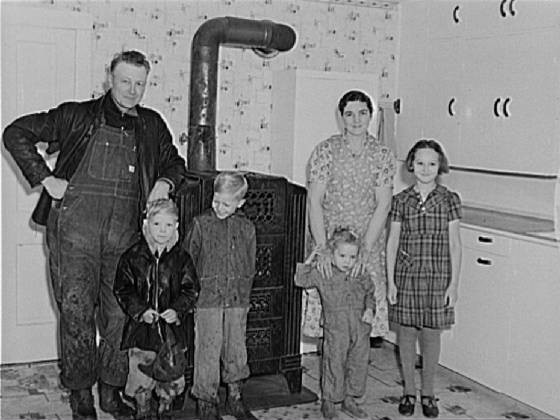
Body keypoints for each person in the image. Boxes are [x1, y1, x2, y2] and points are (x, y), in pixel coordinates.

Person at [2, 50, 188, 420]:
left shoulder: (151, 124)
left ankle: (110, 389)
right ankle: (80, 392)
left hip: (124, 238)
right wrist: (44, 178)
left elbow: (175, 163)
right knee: (76, 315)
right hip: (74, 234)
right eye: (125, 81)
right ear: (110, 79)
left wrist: (165, 182)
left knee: (121, 317)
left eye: (140, 83)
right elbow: (15, 132)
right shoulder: (77, 115)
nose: (132, 90)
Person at [305, 89, 396, 346]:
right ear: (341, 117)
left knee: (362, 317)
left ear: (371, 116)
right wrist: (322, 248)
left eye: (363, 113)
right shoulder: (326, 150)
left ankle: (356, 380)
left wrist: (366, 249)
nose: (356, 120)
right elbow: (314, 201)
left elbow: (384, 203)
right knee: (332, 318)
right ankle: (331, 379)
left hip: (368, 240)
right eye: (350, 114)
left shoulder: (382, 155)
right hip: (332, 243)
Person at [386, 139, 462, 418]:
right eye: (420, 163)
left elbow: (455, 244)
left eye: (432, 163)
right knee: (406, 335)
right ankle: (408, 391)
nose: (426, 169)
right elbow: (392, 242)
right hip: (407, 277)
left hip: (438, 277)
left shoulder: (450, 199)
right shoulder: (401, 201)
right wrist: (391, 282)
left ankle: (428, 393)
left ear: (440, 165)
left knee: (431, 336)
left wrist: (453, 285)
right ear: (411, 165)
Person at [113, 199, 200, 419]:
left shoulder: (182, 258)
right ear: (146, 224)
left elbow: (191, 289)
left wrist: (177, 310)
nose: (163, 230)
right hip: (141, 331)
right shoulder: (132, 257)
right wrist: (141, 310)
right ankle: (142, 410)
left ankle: (165, 408)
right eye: (157, 224)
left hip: (172, 333)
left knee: (171, 376)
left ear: (177, 227)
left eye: (169, 225)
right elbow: (122, 289)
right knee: (141, 375)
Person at [184, 171, 257, 420]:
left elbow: (250, 263)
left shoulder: (246, 227)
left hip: (237, 300)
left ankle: (235, 397)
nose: (219, 207)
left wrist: (244, 295)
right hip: (207, 302)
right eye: (216, 200)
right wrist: (191, 295)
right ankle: (206, 402)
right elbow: (188, 262)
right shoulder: (200, 224)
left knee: (236, 349)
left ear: (240, 203)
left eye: (226, 203)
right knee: (207, 350)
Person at [295, 228, 375, 420]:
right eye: (342, 256)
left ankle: (349, 398)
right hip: (336, 328)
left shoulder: (360, 272)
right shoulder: (324, 272)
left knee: (358, 363)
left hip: (359, 327)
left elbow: (370, 292)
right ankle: (329, 401)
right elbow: (301, 280)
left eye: (352, 256)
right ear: (332, 254)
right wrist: (311, 259)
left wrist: (370, 309)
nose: (347, 261)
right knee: (334, 363)